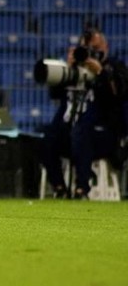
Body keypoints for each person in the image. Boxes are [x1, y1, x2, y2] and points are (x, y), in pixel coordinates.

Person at [41, 27, 128, 199]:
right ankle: (59, 187)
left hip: (103, 135)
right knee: (48, 137)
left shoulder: (115, 67)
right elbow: (54, 94)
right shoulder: (74, 71)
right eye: (88, 50)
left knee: (81, 132)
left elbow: (119, 94)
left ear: (106, 48)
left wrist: (101, 72)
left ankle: (82, 189)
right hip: (70, 134)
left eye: (96, 49)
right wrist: (69, 67)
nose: (91, 54)